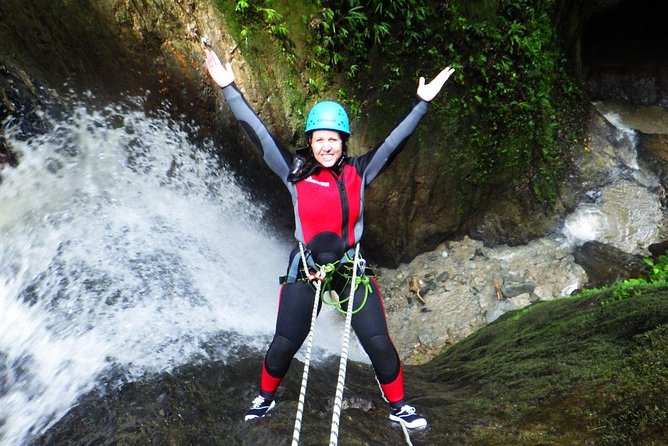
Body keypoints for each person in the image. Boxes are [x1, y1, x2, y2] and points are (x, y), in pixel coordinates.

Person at [204, 47, 454, 429]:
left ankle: (400, 406)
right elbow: (256, 132)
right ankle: (265, 398)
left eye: (334, 139)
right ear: (310, 140)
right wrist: (229, 88)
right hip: (306, 266)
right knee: (286, 342)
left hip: (350, 267)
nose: (326, 146)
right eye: (319, 139)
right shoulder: (294, 171)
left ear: (343, 141)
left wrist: (421, 104)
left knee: (378, 342)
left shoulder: (360, 172)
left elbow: (393, 144)